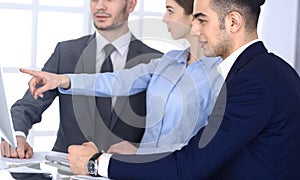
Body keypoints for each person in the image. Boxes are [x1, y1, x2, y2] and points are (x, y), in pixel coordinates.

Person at [63, 0, 300, 179]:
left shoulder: (254, 81)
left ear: (233, 22)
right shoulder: (260, 70)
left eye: (202, 20)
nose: (194, 30)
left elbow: (191, 165)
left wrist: (97, 163)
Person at [18, 0, 222, 155]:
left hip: (160, 169)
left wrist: (137, 152)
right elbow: (117, 81)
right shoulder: (166, 62)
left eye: (170, 10)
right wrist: (66, 80)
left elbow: (209, 144)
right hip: (86, 168)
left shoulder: (220, 74)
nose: (164, 18)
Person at [0, 0, 162, 158]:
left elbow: (163, 131)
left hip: (126, 171)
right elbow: (27, 107)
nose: (99, 6)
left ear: (131, 4)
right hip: (67, 170)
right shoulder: (66, 52)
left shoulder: (154, 61)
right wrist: (16, 137)